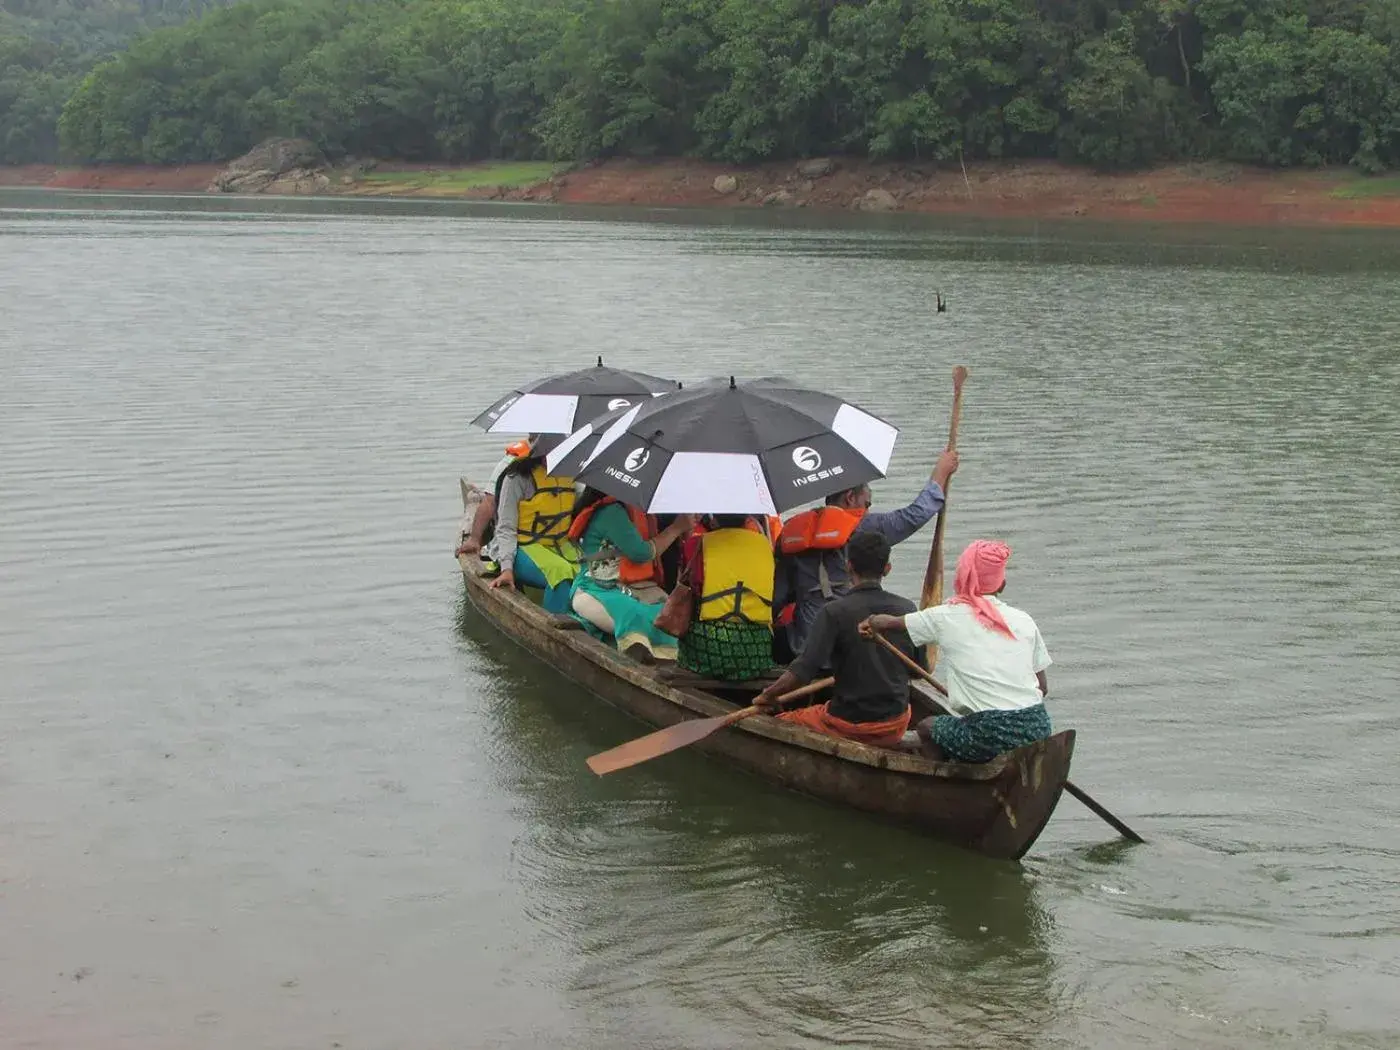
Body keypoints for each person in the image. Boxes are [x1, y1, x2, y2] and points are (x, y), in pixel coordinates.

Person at [859, 540, 1052, 762]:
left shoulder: (946, 615)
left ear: (961, 579)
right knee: (967, 728)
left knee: (927, 726)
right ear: (1002, 585)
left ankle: (944, 777)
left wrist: (872, 622)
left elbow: (890, 623)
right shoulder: (1024, 620)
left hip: (987, 733)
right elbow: (1043, 688)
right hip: (1038, 728)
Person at [775, 448, 959, 659]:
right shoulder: (864, 526)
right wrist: (940, 474)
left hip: (804, 647)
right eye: (867, 503)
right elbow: (913, 516)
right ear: (850, 497)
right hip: (850, 647)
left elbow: (779, 597)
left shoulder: (792, 532)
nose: (868, 510)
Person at [754, 531, 924, 748]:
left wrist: (768, 696)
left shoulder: (833, 612)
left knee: (781, 722)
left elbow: (802, 673)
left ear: (848, 566)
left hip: (847, 723)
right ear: (887, 569)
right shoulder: (907, 610)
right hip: (896, 722)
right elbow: (919, 669)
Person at [567, 488, 694, 663]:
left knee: (669, 614)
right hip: (594, 589)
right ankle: (642, 655)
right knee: (634, 615)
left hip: (631, 587)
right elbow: (641, 553)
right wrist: (676, 528)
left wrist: (683, 529)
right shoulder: (611, 512)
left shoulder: (631, 509)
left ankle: (668, 658)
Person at [676, 514, 777, 682]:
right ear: (747, 521)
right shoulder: (765, 544)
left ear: (714, 520)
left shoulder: (697, 544)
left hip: (709, 651)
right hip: (756, 653)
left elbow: (690, 589)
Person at [485, 435, 578, 614]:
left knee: (586, 574)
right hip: (522, 547)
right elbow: (505, 528)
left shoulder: (571, 475)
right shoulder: (517, 478)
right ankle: (556, 625)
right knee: (560, 572)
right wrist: (506, 568)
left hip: (559, 545)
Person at [456, 440, 530, 559]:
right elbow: (490, 503)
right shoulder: (512, 462)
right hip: (514, 544)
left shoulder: (512, 461)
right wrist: (474, 539)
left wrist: (474, 539)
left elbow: (489, 502)